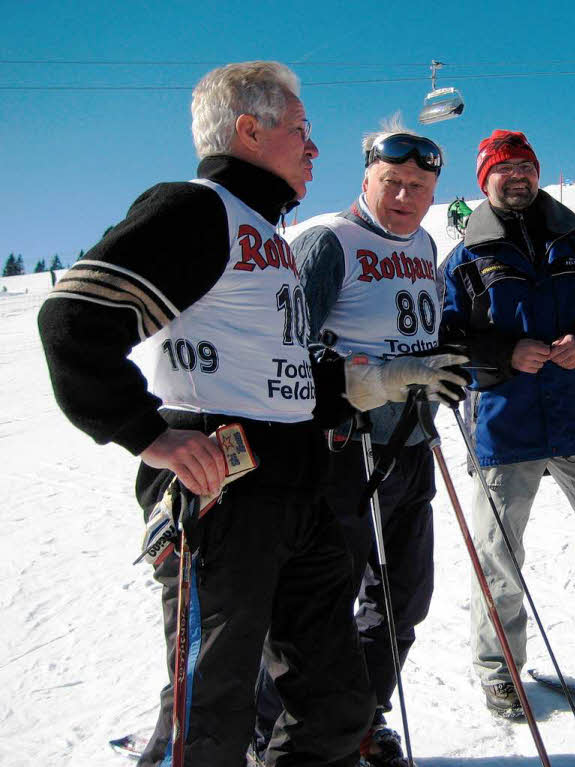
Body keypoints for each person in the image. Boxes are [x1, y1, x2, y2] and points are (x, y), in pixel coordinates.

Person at [36, 61, 453, 767]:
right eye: (301, 131)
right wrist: (150, 435)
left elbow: (280, 369)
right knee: (212, 716)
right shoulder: (196, 208)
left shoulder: (268, 239)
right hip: (221, 487)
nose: (315, 148)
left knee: (340, 705)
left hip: (298, 487)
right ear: (250, 131)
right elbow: (72, 318)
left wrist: (370, 382)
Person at [251, 120, 468, 766]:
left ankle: (357, 718)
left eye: (419, 186)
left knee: (404, 598)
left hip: (410, 446)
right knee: (315, 609)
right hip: (344, 452)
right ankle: (265, 731)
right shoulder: (328, 241)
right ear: (367, 178)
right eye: (392, 182)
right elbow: (285, 352)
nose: (405, 196)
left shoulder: (426, 242)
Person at [439, 129, 575, 718]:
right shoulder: (464, 259)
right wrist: (503, 353)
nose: (517, 177)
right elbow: (448, 337)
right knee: (498, 556)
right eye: (503, 168)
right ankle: (500, 668)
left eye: (526, 167)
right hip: (505, 427)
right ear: (484, 179)